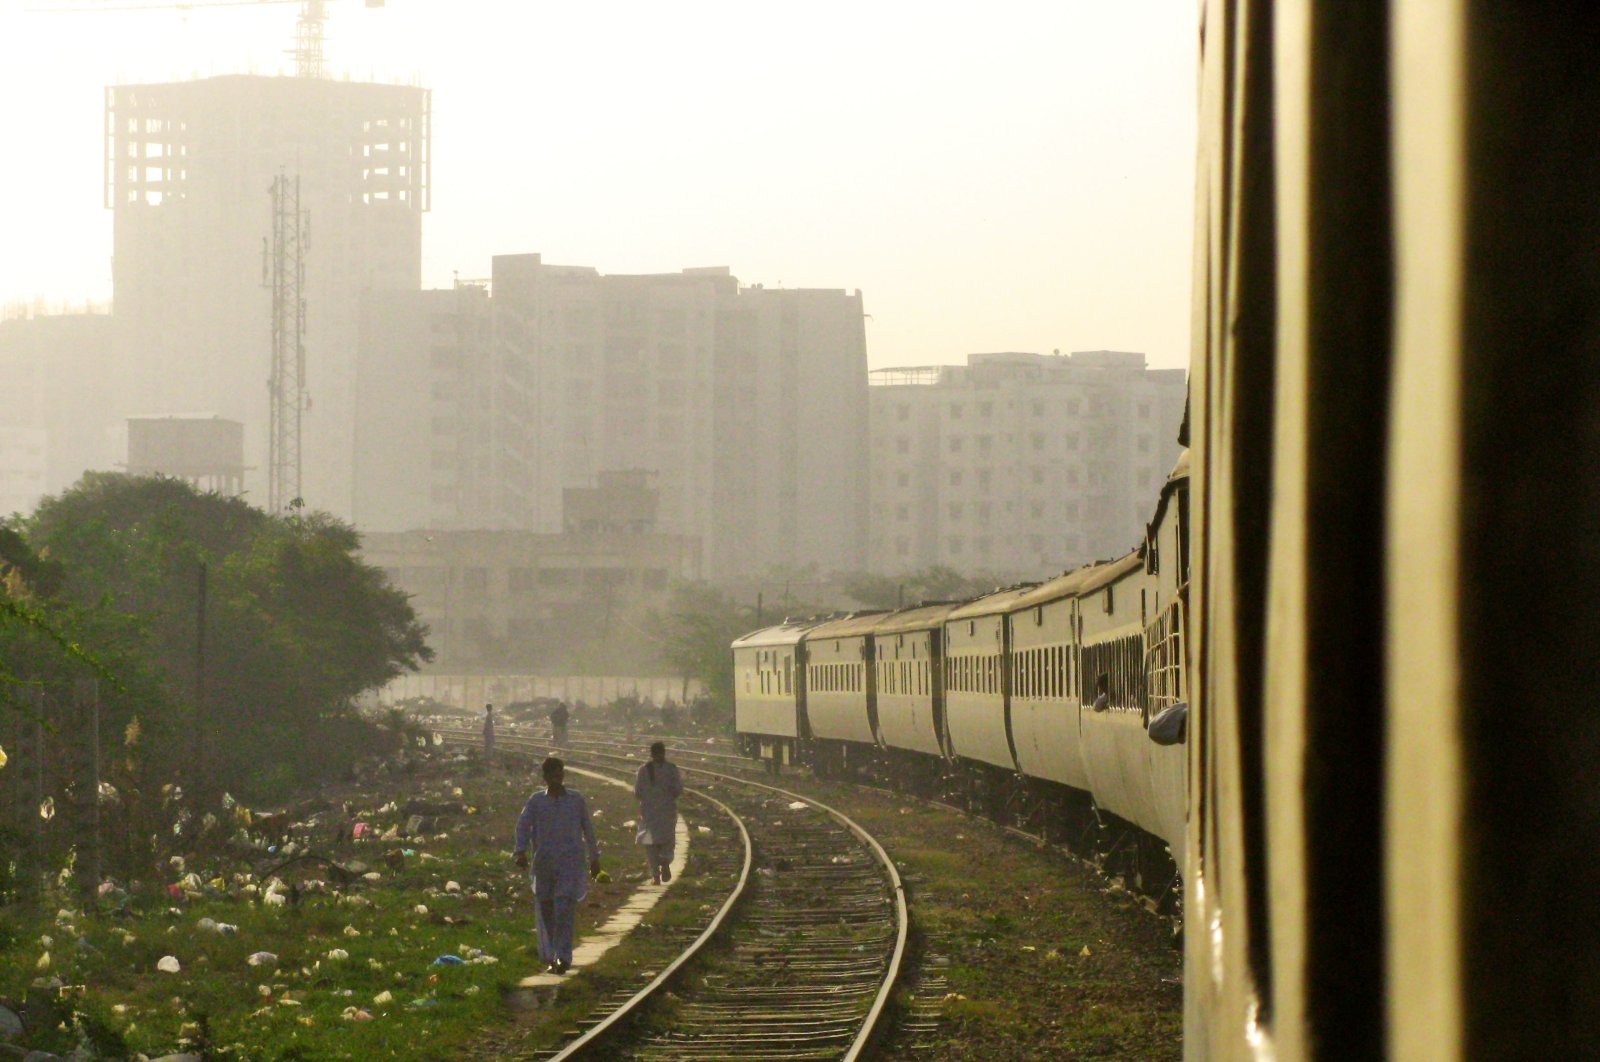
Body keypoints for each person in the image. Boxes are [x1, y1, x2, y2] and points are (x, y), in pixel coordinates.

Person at [514, 756, 601, 974]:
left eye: (560, 774)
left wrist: (594, 858)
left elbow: (588, 830)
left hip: (569, 863)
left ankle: (563, 956)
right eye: (552, 775)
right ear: (545, 777)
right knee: (547, 911)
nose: (557, 779)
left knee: (563, 908)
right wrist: (520, 851)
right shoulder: (536, 801)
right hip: (543, 864)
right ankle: (555, 954)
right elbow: (523, 826)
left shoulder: (576, 800)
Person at [633, 741, 683, 885]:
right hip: (667, 812)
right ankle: (665, 861)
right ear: (664, 752)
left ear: (651, 754)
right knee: (667, 841)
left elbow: (637, 792)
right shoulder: (672, 769)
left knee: (650, 845)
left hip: (648, 813)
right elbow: (678, 790)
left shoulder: (643, 770)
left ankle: (655, 876)